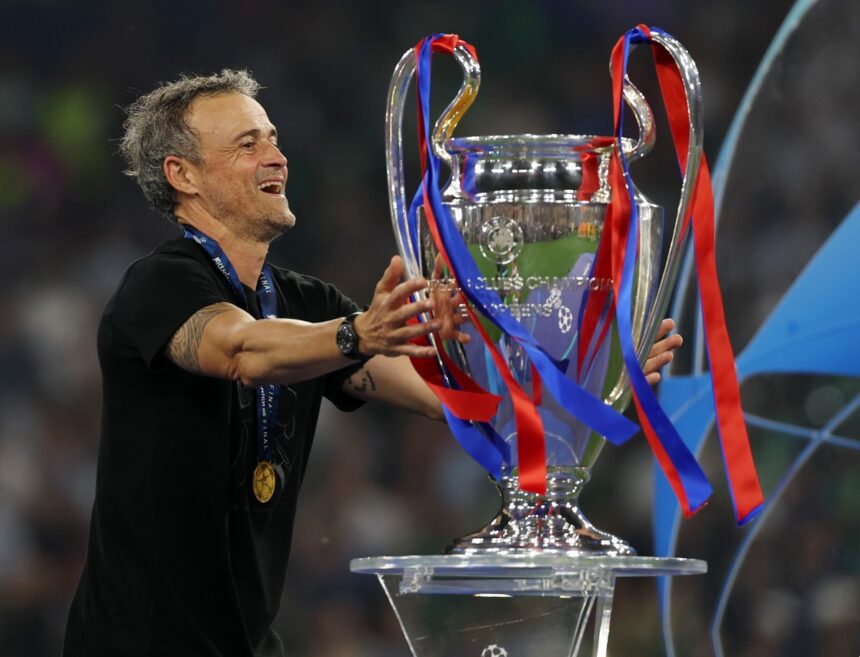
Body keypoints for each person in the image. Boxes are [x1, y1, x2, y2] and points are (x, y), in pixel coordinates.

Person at [63, 69, 682, 657]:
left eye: (274, 139)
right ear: (184, 174)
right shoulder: (158, 285)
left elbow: (457, 407)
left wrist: (587, 382)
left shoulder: (306, 303)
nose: (276, 157)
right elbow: (241, 351)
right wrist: (359, 333)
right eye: (247, 144)